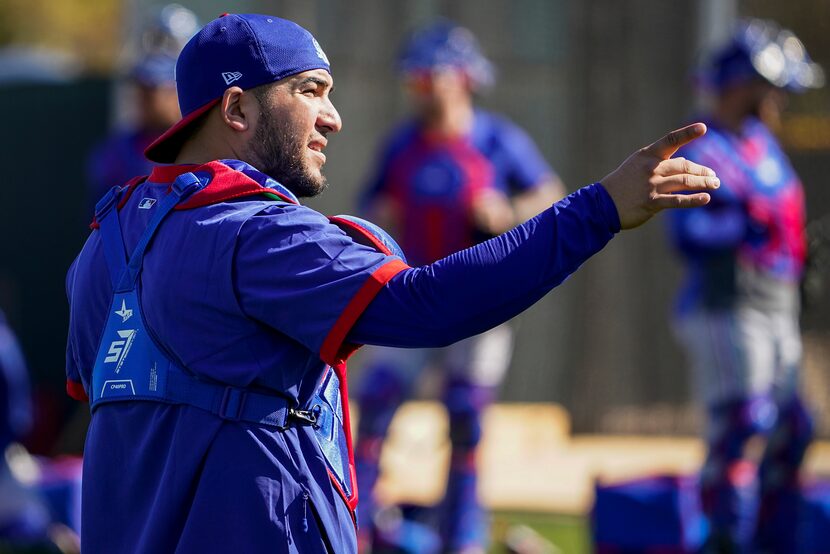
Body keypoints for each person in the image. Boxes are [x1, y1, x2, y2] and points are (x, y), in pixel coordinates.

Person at [64, 13, 718, 554]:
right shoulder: (255, 234)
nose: (334, 117)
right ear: (237, 106)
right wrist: (597, 210)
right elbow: (422, 305)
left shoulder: (102, 245)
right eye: (311, 90)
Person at [353, 20, 565, 553]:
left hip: (480, 303)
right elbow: (368, 206)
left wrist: (508, 211)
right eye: (413, 82)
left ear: (463, 79)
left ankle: (461, 534)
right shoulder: (402, 144)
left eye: (429, 80)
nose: (419, 93)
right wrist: (382, 213)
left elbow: (550, 194)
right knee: (376, 404)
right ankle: (354, 523)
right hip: (411, 295)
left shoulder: (497, 140)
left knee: (466, 416)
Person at [668, 19, 823, 554]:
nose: (778, 101)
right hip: (725, 304)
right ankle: (722, 539)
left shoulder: (762, 146)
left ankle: (771, 541)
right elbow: (687, 233)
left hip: (777, 306)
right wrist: (746, 222)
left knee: (795, 427)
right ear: (744, 84)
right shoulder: (705, 147)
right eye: (772, 89)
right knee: (744, 420)